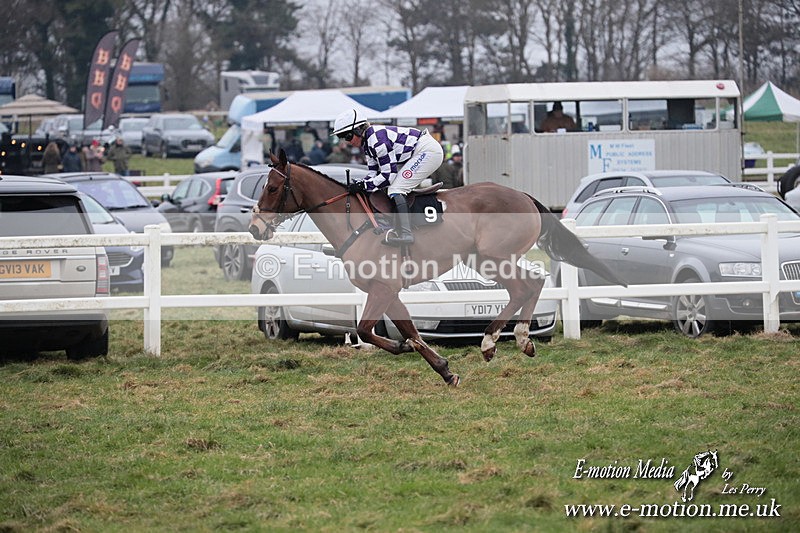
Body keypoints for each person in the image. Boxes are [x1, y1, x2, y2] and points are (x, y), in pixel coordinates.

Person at [331, 108, 444, 246]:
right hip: (417, 152)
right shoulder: (367, 143)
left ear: (359, 130)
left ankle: (406, 234)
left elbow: (387, 176)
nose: (347, 141)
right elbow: (373, 174)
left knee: (395, 189)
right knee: (391, 187)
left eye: (348, 136)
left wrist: (364, 185)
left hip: (428, 152)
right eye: (342, 137)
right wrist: (360, 184)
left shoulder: (377, 141)